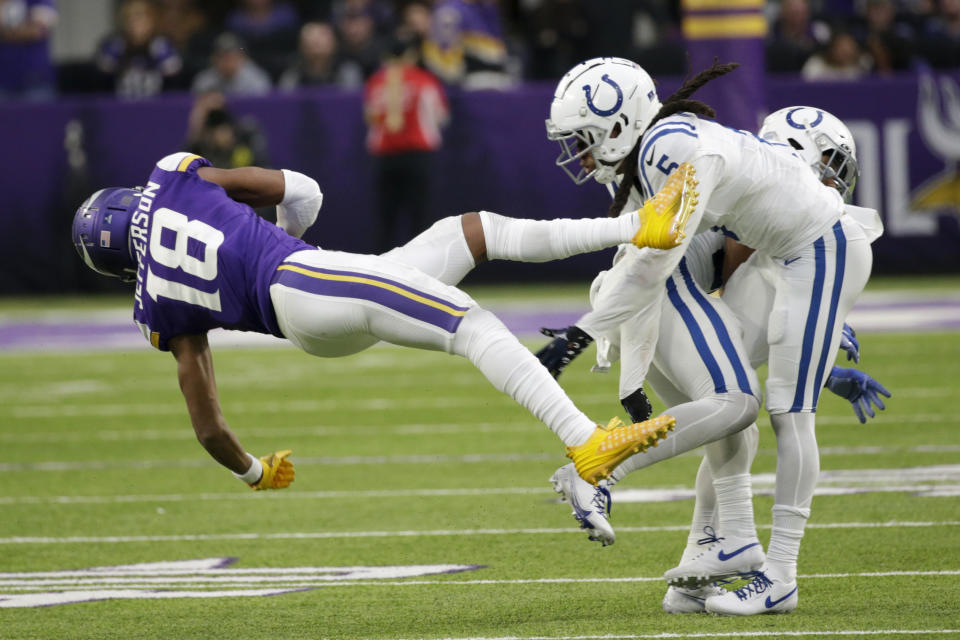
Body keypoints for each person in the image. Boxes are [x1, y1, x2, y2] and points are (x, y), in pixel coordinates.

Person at [70, 151, 695, 493]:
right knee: (470, 324)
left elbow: (206, 424)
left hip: (306, 310)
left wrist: (255, 471)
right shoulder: (176, 174)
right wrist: (283, 244)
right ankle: (586, 440)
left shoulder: (156, 308)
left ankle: (637, 227)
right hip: (307, 279)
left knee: (471, 232)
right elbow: (305, 192)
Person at [540, 58, 879, 615]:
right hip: (795, 252)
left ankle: (780, 575)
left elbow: (657, 261)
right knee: (733, 405)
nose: (577, 153)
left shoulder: (668, 148)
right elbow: (647, 263)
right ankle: (724, 543)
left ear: (619, 125)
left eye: (585, 138)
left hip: (819, 247)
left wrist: (581, 335)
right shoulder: (653, 158)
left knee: (785, 413)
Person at [364, 37, 449, 252]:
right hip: (417, 154)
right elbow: (440, 115)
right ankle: (422, 270)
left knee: (386, 219)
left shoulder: (377, 81)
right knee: (420, 218)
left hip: (385, 157)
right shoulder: (423, 80)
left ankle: (380, 272)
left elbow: (369, 118)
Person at [96, 0, 182, 99]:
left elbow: (175, 80)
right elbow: (101, 82)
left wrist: (159, 53)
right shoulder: (115, 44)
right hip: (121, 107)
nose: (134, 24)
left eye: (140, 18)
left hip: (156, 106)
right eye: (129, 18)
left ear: (151, 20)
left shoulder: (161, 45)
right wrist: (115, 53)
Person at [0, 0, 57, 101]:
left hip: (35, 79)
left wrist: (4, 33)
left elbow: (36, 31)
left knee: (38, 115)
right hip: (3, 78)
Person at [191, 32, 271, 96]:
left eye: (231, 56)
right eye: (221, 56)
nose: (227, 61)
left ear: (243, 57)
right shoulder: (204, 80)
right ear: (213, 59)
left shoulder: (257, 79)